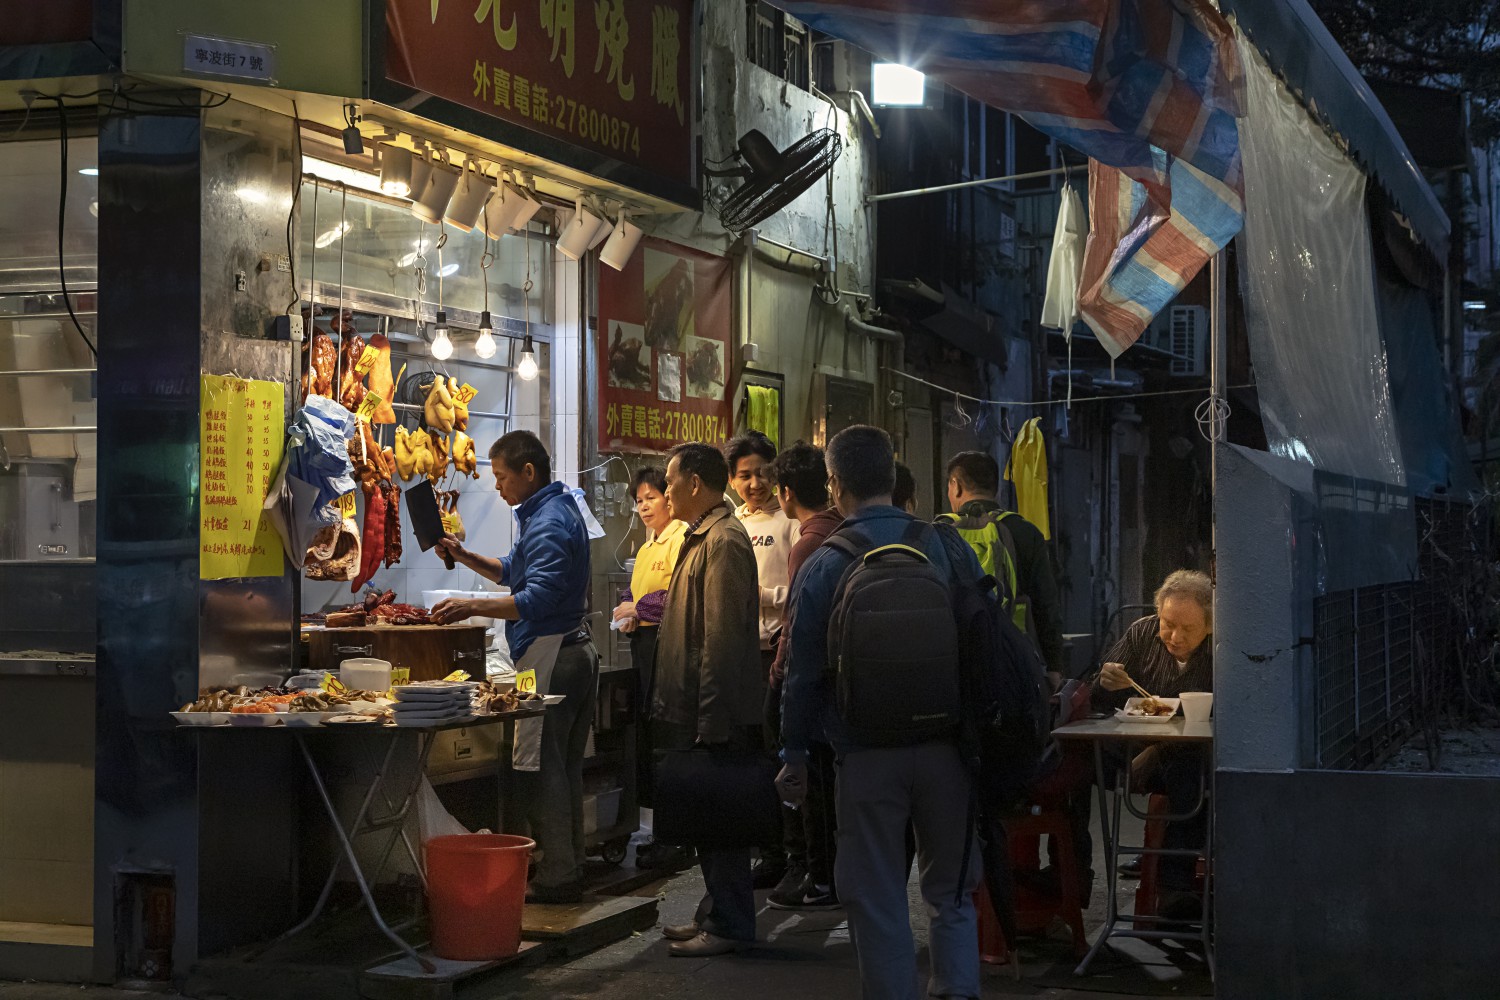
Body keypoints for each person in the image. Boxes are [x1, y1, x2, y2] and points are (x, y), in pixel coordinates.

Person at [778, 425, 984, 1000]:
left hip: (864, 756)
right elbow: (983, 639)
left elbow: (801, 672)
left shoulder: (825, 562)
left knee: (876, 896)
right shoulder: (945, 546)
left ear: (834, 484)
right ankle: (958, 989)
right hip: (948, 750)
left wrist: (794, 753)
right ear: (893, 479)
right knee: (952, 892)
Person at [431, 431, 598, 904]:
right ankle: (569, 865)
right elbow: (513, 569)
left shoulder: (548, 521)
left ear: (529, 472)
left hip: (552, 654)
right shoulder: (550, 511)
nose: (498, 486)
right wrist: (466, 556)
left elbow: (537, 598)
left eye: (503, 477)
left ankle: (558, 875)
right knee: (563, 767)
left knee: (541, 767)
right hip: (571, 650)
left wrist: (470, 605)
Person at [653, 442, 765, 956]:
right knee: (709, 819)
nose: (665, 491)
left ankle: (729, 926)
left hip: (716, 713)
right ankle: (714, 915)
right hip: (698, 708)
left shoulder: (723, 541)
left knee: (722, 825)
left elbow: (720, 641)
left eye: (670, 481)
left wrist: (711, 719)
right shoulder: (703, 535)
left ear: (694, 483)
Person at [1093, 570, 1214, 912]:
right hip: (1130, 748)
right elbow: (1097, 699)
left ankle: (1174, 889)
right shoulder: (1141, 633)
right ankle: (1071, 877)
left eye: (1188, 628)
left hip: (1187, 758)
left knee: (1192, 772)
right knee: (1076, 759)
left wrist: (1157, 751)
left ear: (1209, 626)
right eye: (1168, 623)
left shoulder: (1222, 648)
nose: (1174, 636)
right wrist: (1105, 681)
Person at [764, 442, 842, 911]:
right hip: (841, 681)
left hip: (812, 681)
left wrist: (778, 677)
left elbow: (796, 624)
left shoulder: (809, 543)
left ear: (786, 492)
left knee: (809, 786)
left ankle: (819, 877)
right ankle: (828, 875)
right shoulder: (840, 529)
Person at [724, 430, 799, 887]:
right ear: (731, 480)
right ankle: (763, 848)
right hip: (737, 654)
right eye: (744, 476)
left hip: (775, 653)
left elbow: (801, 592)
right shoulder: (731, 524)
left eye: (762, 473)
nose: (755, 484)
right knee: (747, 756)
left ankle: (788, 854)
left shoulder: (789, 523)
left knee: (777, 755)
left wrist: (763, 595)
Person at [611, 466, 687, 869]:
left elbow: (679, 595)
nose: (643, 507)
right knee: (650, 740)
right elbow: (636, 589)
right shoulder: (646, 547)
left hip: (669, 648)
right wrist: (627, 610)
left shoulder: (681, 538)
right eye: (638, 501)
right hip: (642, 647)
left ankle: (676, 839)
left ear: (669, 498)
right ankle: (661, 833)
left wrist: (638, 609)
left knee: (668, 739)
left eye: (651, 498)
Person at [942, 450, 1063, 683]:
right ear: (995, 489)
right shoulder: (1025, 532)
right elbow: (1046, 604)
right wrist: (1054, 665)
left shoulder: (941, 532)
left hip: (956, 662)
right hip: (1015, 660)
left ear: (955, 486)